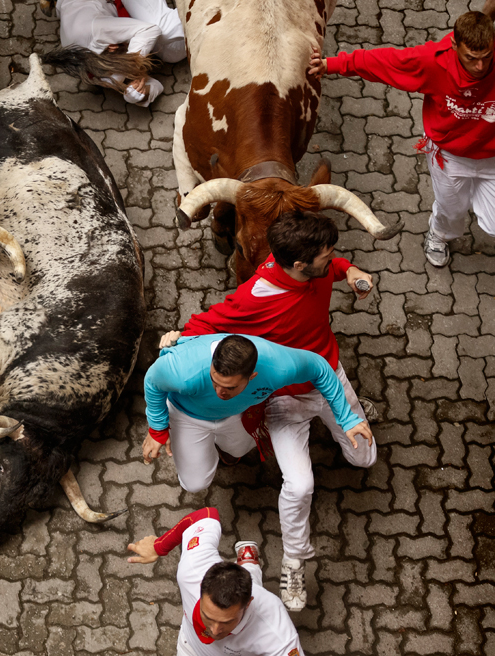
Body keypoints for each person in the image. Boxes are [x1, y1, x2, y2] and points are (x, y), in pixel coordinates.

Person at [155, 211, 377, 612]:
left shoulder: (315, 268)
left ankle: (351, 414)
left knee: (364, 458)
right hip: (284, 400)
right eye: (328, 257)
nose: (332, 259)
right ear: (297, 264)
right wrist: (178, 339)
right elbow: (206, 322)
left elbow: (335, 268)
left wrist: (350, 271)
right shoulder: (255, 295)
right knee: (300, 485)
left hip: (329, 379)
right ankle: (295, 559)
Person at [309, 7, 495, 267]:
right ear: (454, 45)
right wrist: (331, 65)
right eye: (471, 58)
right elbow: (384, 61)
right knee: (452, 210)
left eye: (486, 57)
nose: (480, 66)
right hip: (450, 155)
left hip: (491, 156)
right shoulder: (431, 61)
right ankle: (439, 236)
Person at [127, 507, 304, 656]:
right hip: (190, 648)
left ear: (249, 603)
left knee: (255, 587)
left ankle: (248, 562)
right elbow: (205, 515)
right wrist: (159, 546)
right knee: (251, 583)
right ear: (200, 590)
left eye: (227, 622)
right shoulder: (191, 571)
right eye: (208, 617)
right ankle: (248, 560)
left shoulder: (275, 628)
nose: (214, 630)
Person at [53, 0, 186, 106]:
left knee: (165, 30)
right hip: (111, 12)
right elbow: (154, 85)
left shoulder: (93, 31)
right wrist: (140, 93)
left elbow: (150, 30)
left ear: (110, 47)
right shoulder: (100, 73)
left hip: (105, 9)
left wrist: (130, 66)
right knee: (172, 54)